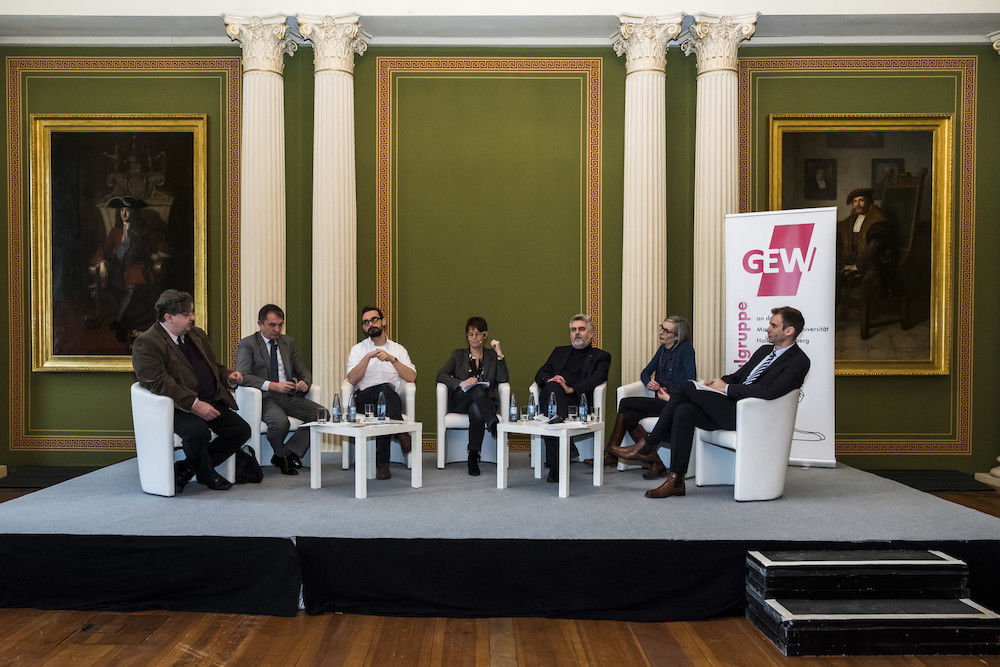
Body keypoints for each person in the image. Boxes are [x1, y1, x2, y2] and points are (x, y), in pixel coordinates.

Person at [615, 306, 810, 499]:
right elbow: (738, 376)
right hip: (729, 406)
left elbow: (769, 391)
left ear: (789, 331)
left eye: (773, 325)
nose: (768, 328)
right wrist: (720, 382)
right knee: (684, 410)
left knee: (688, 387)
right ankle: (676, 480)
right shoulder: (764, 351)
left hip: (750, 415)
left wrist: (726, 389)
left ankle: (649, 444)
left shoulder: (799, 361)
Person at [132, 289, 251, 492]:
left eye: (192, 312)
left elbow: (213, 365)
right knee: (198, 433)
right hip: (177, 407)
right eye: (187, 314)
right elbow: (160, 383)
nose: (192, 318)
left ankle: (187, 468)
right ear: (168, 317)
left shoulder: (196, 334)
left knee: (241, 431)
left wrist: (228, 377)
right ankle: (206, 474)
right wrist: (195, 405)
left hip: (210, 400)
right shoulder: (147, 342)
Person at [236, 304, 328, 476]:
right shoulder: (248, 344)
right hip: (264, 397)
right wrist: (272, 385)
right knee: (280, 423)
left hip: (288, 395)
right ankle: (281, 455)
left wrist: (304, 382)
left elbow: (303, 370)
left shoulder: (288, 342)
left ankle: (290, 452)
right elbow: (244, 376)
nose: (277, 329)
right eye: (272, 325)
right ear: (260, 323)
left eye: (280, 324)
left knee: (322, 414)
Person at [605, 316, 696, 479]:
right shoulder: (662, 349)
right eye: (661, 327)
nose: (661, 332)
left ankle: (610, 452)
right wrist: (649, 383)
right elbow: (645, 372)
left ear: (677, 336)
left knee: (625, 402)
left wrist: (671, 397)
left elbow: (690, 380)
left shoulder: (686, 350)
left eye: (666, 330)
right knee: (628, 416)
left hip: (672, 403)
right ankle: (656, 463)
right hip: (659, 401)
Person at [534, 314, 611, 483]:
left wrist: (571, 388)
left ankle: (556, 466)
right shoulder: (559, 351)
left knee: (552, 408)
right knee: (553, 387)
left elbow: (597, 379)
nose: (577, 333)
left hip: (577, 402)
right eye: (573, 329)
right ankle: (563, 451)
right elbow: (540, 373)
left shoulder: (601, 356)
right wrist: (551, 379)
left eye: (581, 329)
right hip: (554, 397)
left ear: (591, 334)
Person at [346, 306, 417, 480]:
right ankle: (400, 434)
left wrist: (392, 359)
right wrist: (367, 358)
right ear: (364, 327)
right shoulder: (358, 349)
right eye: (366, 322)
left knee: (384, 398)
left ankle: (383, 466)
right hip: (364, 399)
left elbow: (411, 376)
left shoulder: (398, 349)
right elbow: (352, 380)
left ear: (383, 322)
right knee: (382, 394)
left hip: (390, 399)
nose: (371, 324)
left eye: (374, 320)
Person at [88, 196, 168, 342]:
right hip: (117, 266)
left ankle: (119, 323)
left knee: (131, 288)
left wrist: (157, 254)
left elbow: (157, 243)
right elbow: (104, 247)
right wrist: (101, 262)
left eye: (128, 210)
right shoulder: (115, 231)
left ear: (134, 213)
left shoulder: (142, 230)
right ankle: (121, 317)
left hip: (136, 265)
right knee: (106, 286)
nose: (124, 213)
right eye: (122, 210)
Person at [436, 316, 509, 476]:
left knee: (476, 408)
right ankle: (494, 424)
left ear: (485, 335)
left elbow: (503, 379)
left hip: (482, 404)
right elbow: (440, 376)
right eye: (470, 334)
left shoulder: (491, 356)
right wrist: (460, 383)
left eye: (477, 334)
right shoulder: (458, 355)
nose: (473, 338)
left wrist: (499, 355)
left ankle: (473, 455)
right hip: (460, 401)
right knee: (475, 389)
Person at [836, 187, 896, 304]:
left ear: (869, 201)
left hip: (872, 264)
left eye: (861, 200)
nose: (858, 205)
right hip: (853, 259)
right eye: (855, 201)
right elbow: (842, 227)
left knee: (841, 275)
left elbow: (874, 246)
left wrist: (858, 266)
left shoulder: (877, 220)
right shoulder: (854, 217)